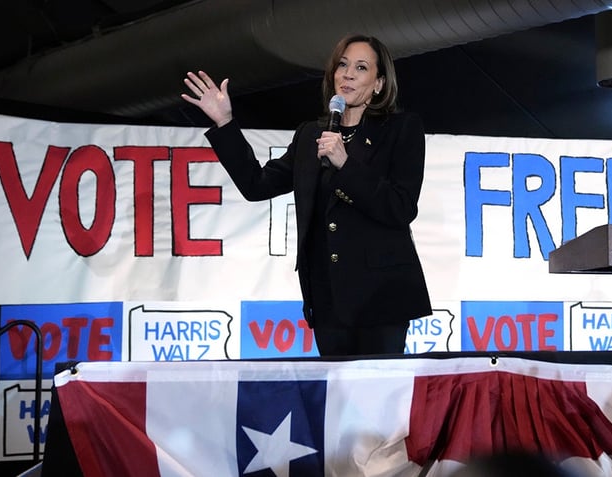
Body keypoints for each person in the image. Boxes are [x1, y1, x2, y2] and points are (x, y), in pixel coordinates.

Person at [181, 34, 432, 357]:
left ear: (379, 84)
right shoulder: (311, 135)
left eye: (361, 67)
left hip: (380, 301)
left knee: (379, 401)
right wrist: (225, 122)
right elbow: (257, 185)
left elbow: (400, 207)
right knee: (337, 404)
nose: (348, 74)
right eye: (342, 65)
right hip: (327, 300)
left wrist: (345, 163)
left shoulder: (402, 129)